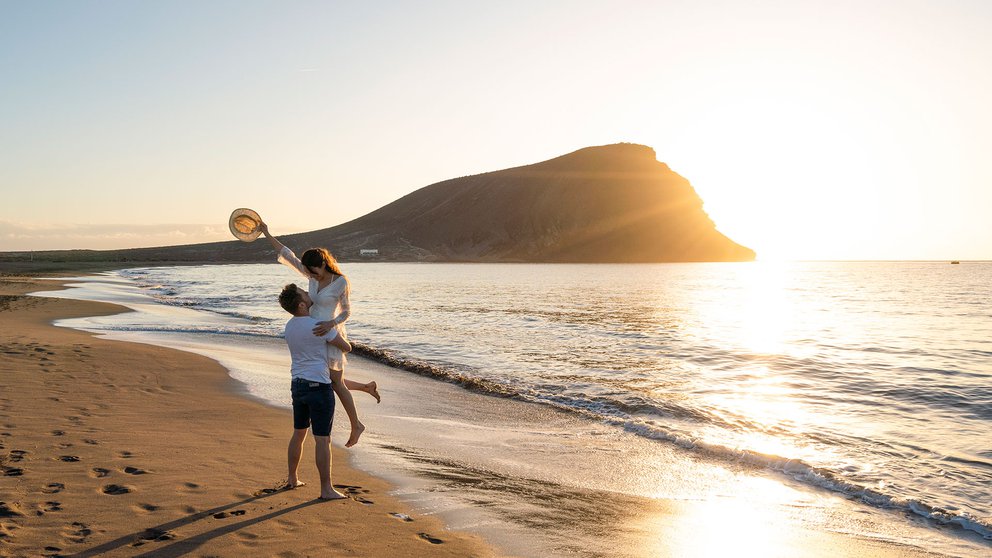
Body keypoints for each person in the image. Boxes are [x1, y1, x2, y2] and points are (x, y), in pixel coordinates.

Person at [260, 222, 378, 448]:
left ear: (323, 263)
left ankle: (356, 425)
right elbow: (287, 254)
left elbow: (347, 311)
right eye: (309, 271)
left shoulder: (340, 282)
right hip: (312, 329)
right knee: (329, 380)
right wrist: (266, 233)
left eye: (313, 270)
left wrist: (331, 323)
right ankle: (366, 389)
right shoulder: (311, 275)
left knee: (335, 383)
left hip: (329, 329)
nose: (311, 274)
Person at [279, 283, 351, 499]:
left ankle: (293, 478)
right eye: (304, 293)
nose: (309, 294)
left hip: (297, 384)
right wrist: (334, 326)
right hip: (318, 386)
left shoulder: (289, 326)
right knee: (322, 439)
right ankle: (326, 489)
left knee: (299, 433)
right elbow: (347, 347)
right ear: (302, 304)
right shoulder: (319, 325)